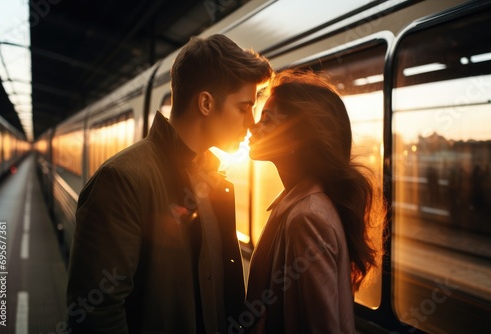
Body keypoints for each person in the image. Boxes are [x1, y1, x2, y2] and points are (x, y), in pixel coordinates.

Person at [66, 34, 273, 334]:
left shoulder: (214, 181)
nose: (251, 122)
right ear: (205, 103)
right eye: (244, 107)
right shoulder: (121, 181)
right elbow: (96, 313)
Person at [240, 70, 384, 333]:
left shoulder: (307, 217)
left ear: (296, 137)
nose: (253, 126)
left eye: (267, 120)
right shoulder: (304, 205)